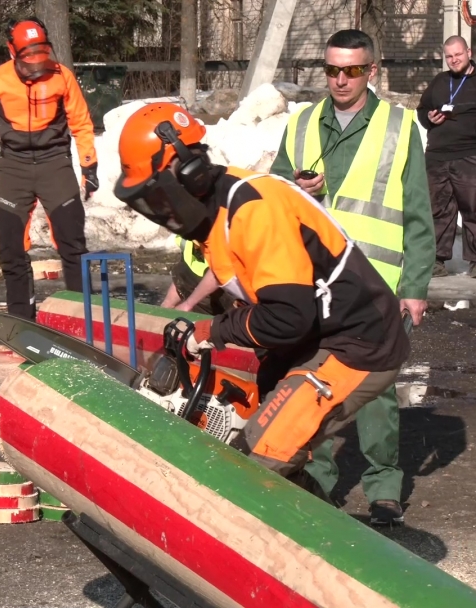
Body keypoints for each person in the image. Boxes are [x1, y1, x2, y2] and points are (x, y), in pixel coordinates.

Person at [114, 101, 410, 499]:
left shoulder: (253, 210)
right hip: (312, 335)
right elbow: (236, 276)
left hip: (356, 342)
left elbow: (287, 316)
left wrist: (214, 330)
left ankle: (292, 545)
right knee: (250, 433)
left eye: (159, 195)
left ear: (188, 171)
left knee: (255, 460)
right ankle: (306, 524)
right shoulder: (216, 208)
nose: (159, 209)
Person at [271, 29, 434, 526]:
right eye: (332, 70)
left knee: (375, 389)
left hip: (375, 283)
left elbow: (418, 214)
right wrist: (297, 188)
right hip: (312, 280)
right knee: (312, 379)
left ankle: (383, 485)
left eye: (353, 70)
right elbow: (273, 196)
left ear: (372, 71)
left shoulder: (398, 126)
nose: (341, 80)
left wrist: (415, 288)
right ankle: (316, 477)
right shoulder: (301, 123)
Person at [0, 17, 96, 320]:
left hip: (56, 165)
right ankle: (22, 320)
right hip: (14, 168)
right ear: (13, 53)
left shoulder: (62, 76)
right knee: (10, 249)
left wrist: (89, 166)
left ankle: (83, 319)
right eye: (29, 61)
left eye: (41, 59)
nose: (37, 68)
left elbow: (81, 121)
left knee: (73, 245)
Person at [417, 36, 476, 279]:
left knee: (474, 209)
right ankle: (437, 260)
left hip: (474, 155)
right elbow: (422, 109)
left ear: (468, 52)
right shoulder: (439, 81)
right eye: (448, 56)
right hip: (437, 156)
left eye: (457, 54)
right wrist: (429, 118)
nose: (453, 60)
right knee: (438, 210)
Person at [158, 236, 237, 315]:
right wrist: (167, 305)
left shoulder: (224, 233)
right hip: (205, 296)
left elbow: (220, 270)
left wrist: (187, 305)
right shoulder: (190, 240)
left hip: (234, 296)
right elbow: (184, 273)